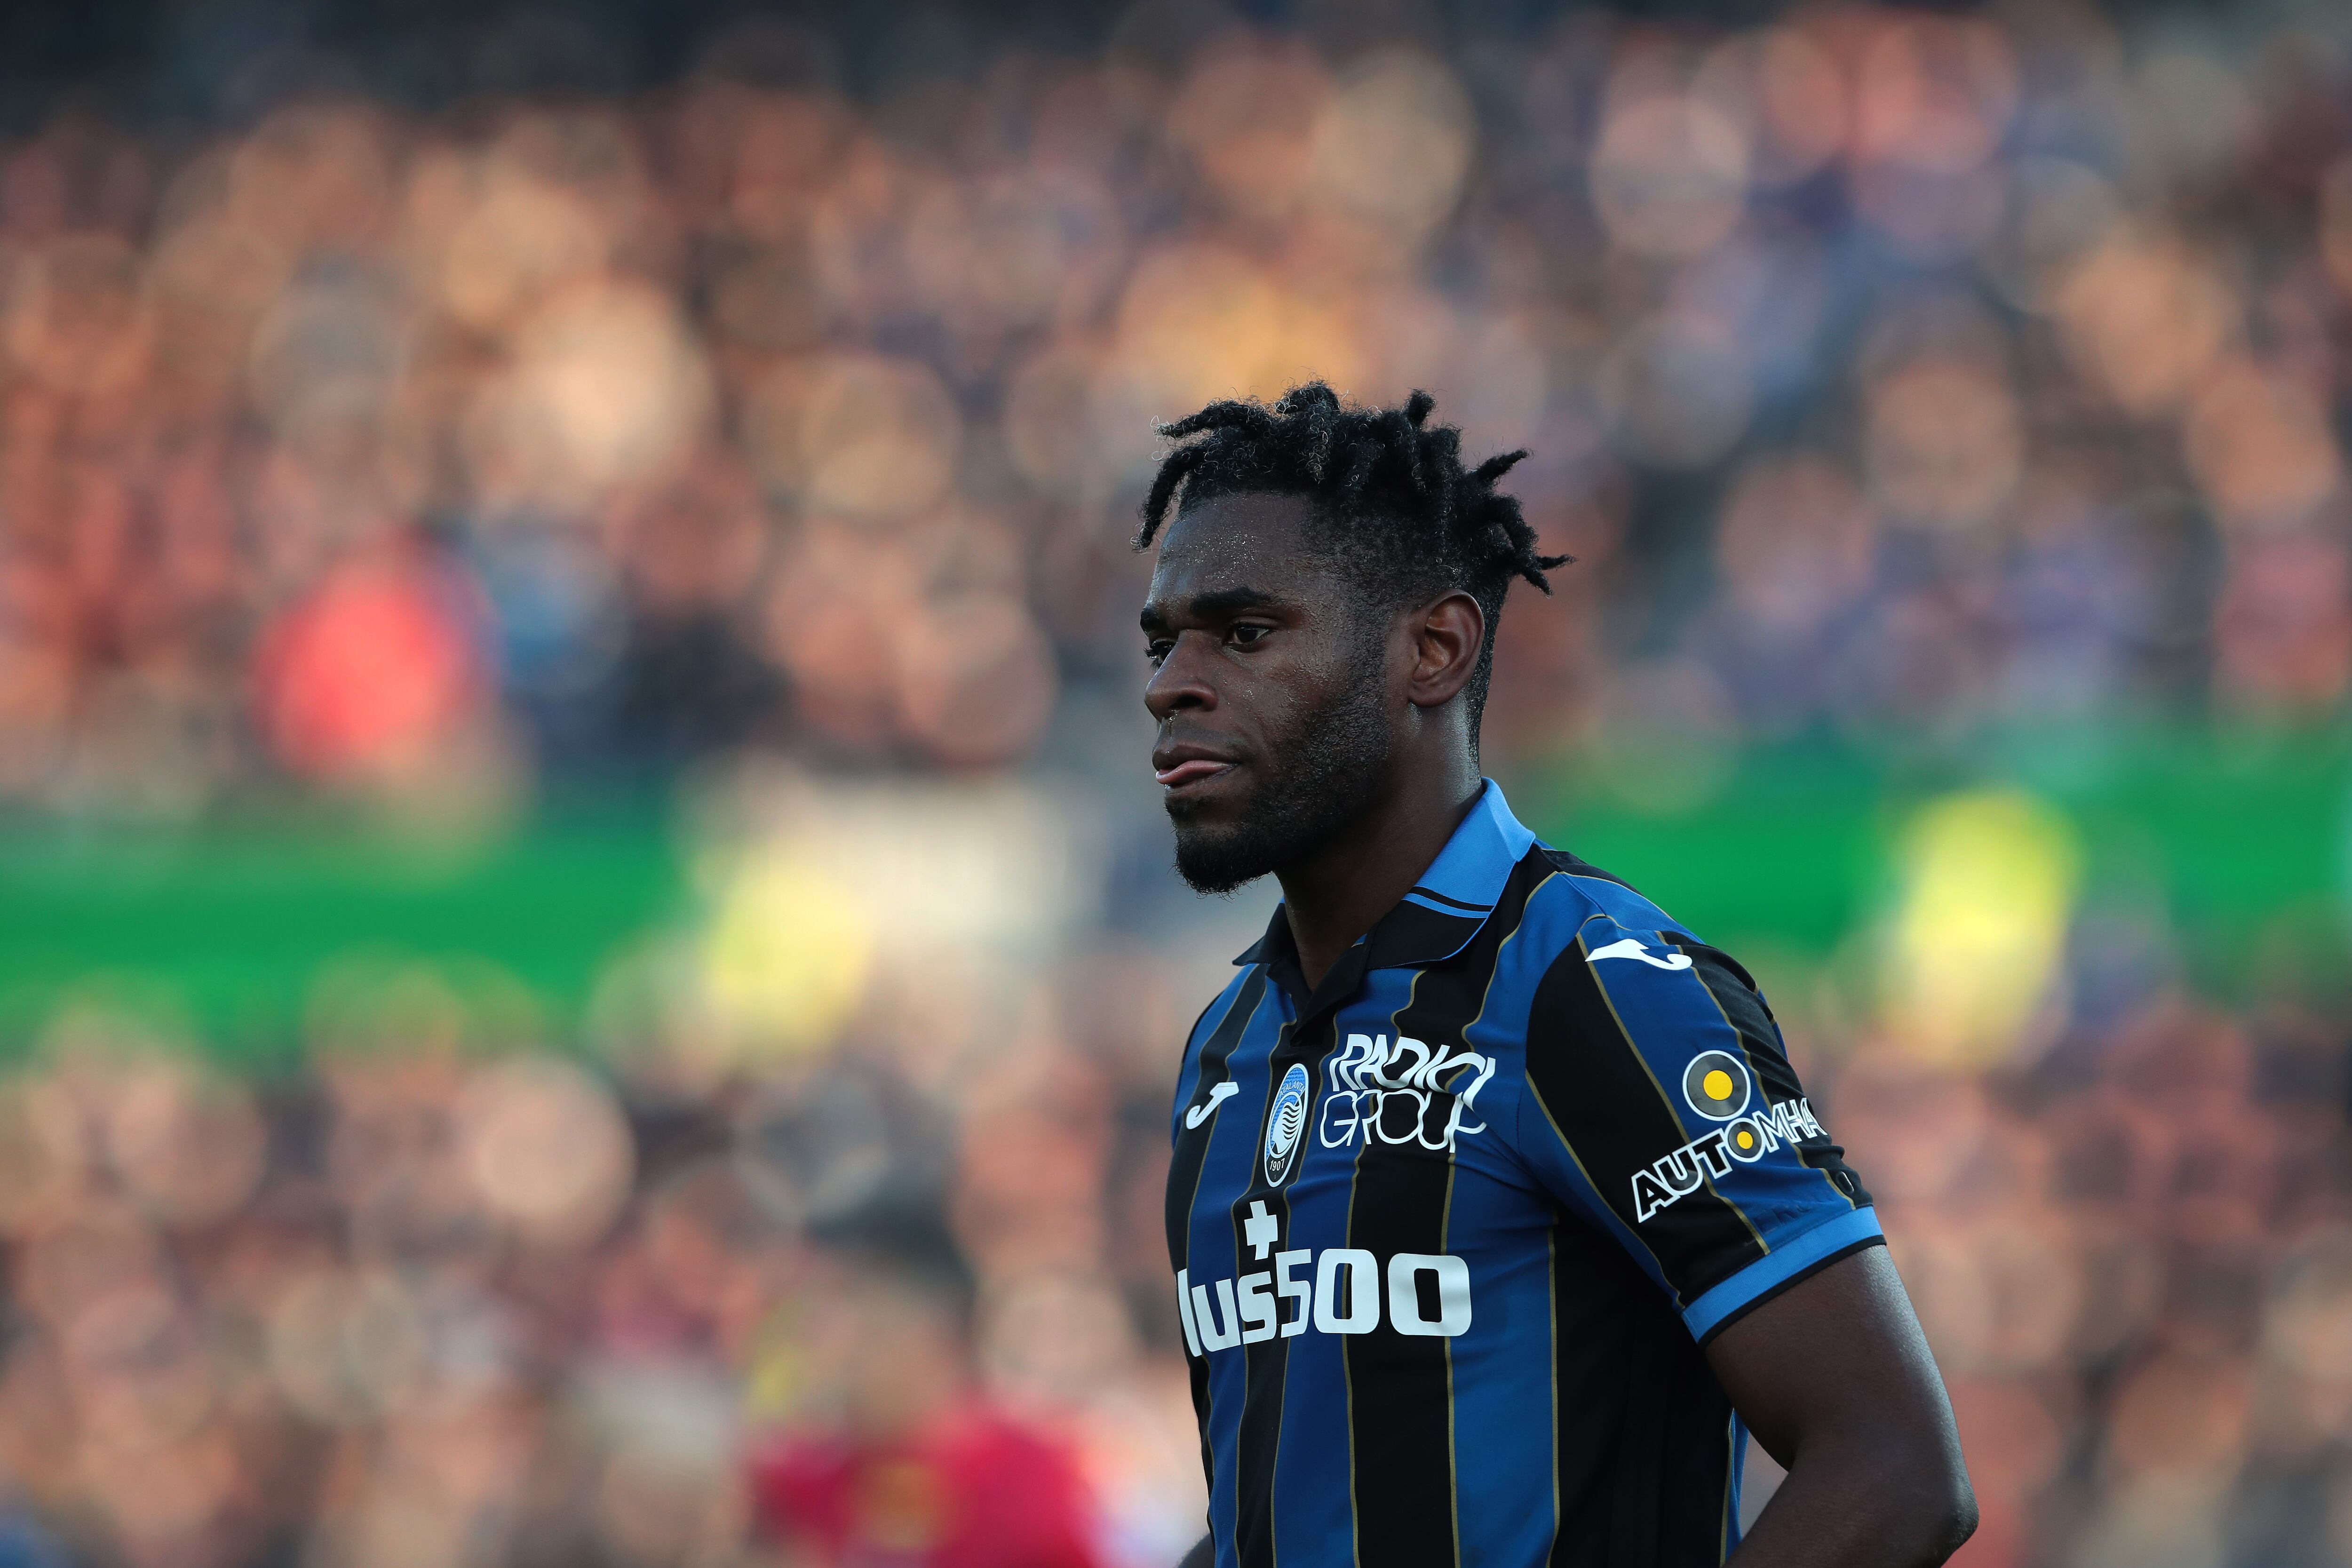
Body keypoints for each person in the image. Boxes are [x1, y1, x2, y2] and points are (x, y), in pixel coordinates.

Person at [1139, 385, 1975, 1568]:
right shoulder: (1229, 1045)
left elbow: (1892, 1467)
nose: (1170, 682)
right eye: (1163, 640)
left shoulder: (1591, 984)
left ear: (1433, 651)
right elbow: (1285, 1506)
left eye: (1243, 632)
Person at [747, 1210, 1104, 1568]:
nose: (818, 1333)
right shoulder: (794, 1487)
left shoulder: (1035, 1482)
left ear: (934, 1329)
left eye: (848, 1302)